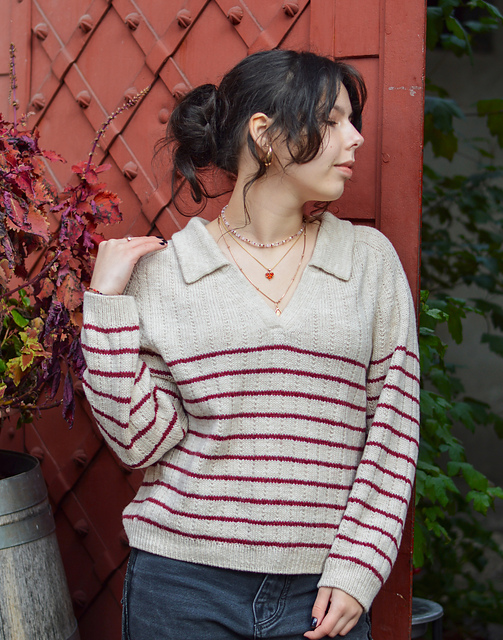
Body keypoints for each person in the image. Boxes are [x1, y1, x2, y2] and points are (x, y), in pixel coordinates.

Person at [81, 49, 420, 640]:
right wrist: (106, 306)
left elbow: (392, 430)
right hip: (181, 585)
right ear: (264, 134)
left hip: (320, 597)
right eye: (333, 121)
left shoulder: (369, 262)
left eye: (353, 121)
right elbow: (139, 443)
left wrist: (359, 567)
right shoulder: (166, 272)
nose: (357, 138)